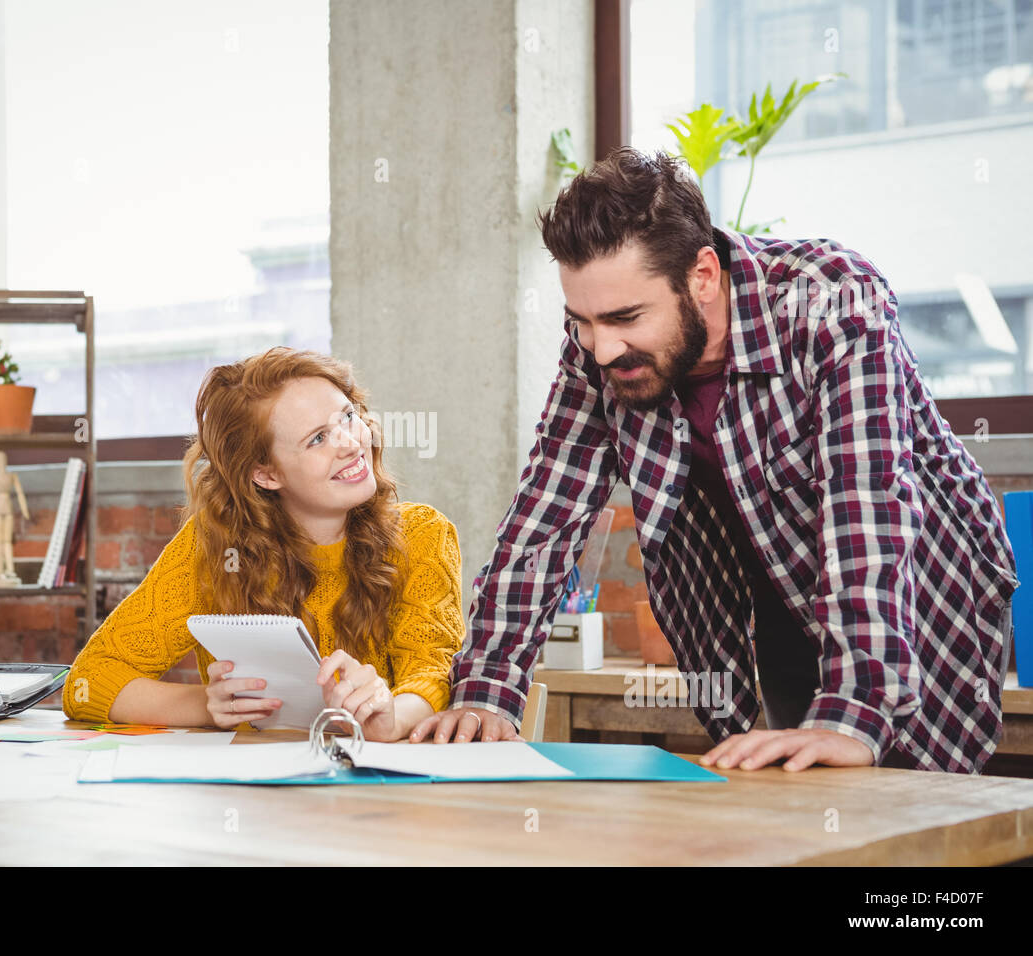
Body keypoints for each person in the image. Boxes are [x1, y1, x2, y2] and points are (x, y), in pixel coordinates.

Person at [412, 147, 1019, 774]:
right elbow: (546, 513)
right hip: (782, 603)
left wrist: (856, 707)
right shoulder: (601, 347)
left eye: (625, 317)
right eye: (583, 322)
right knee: (814, 806)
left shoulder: (831, 301)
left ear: (702, 276)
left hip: (920, 586)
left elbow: (866, 502)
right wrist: (487, 689)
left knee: (921, 817)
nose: (601, 348)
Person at [62, 347, 465, 742]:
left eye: (348, 416)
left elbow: (431, 674)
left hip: (379, 793)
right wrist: (207, 705)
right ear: (266, 474)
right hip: (251, 796)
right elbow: (88, 681)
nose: (351, 442)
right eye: (318, 438)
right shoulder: (215, 551)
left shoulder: (423, 535)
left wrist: (390, 716)